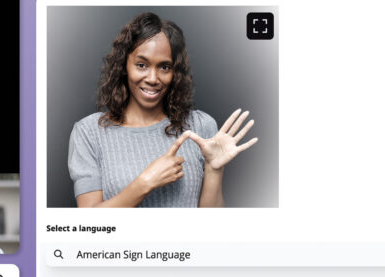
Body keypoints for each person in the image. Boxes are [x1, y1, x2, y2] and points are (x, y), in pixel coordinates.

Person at [68, 12, 258, 208]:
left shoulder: (200, 126)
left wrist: (214, 169)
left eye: (164, 67)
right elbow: (89, 224)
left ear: (175, 72)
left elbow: (209, 226)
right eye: (141, 65)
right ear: (124, 66)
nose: (152, 78)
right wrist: (145, 182)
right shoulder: (89, 132)